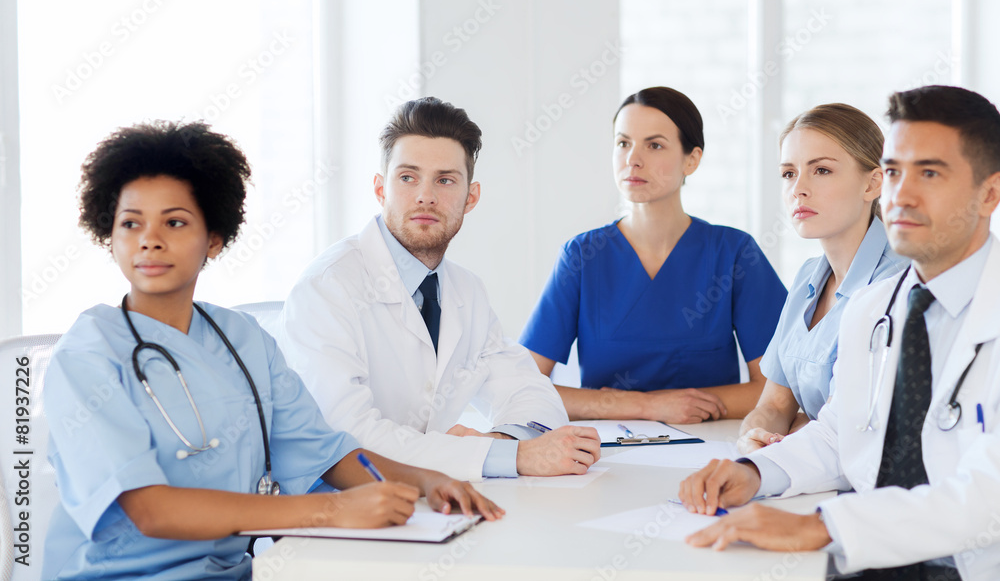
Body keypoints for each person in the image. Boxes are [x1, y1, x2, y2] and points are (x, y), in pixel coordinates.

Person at [43, 121, 501, 581]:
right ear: (109, 234)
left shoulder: (242, 338)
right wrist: (332, 511)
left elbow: (326, 453)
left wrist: (428, 480)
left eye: (175, 222)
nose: (150, 239)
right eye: (130, 223)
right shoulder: (89, 353)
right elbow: (150, 510)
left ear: (214, 239)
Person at [679, 85, 1000, 580]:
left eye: (930, 173)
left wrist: (821, 526)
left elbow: (987, 493)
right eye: (894, 171)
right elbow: (840, 433)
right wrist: (755, 472)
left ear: (990, 193)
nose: (901, 194)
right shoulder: (873, 308)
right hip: (867, 556)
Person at [279, 97, 600, 482]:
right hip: (339, 503)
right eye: (407, 177)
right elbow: (346, 437)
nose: (425, 196)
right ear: (380, 189)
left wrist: (501, 443)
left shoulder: (466, 291)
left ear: (471, 197)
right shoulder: (327, 287)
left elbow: (530, 393)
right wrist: (506, 457)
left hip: (434, 498)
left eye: (445, 180)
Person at [520, 86, 787, 423]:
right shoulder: (583, 257)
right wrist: (647, 406)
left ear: (692, 160)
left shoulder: (734, 254)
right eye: (623, 143)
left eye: (654, 145)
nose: (633, 159)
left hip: (713, 444)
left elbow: (777, 390)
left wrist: (684, 406)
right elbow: (524, 387)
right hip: (607, 447)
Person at [737, 104, 907, 453]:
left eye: (822, 170)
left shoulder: (898, 284)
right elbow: (774, 406)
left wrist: (791, 441)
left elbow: (854, 431)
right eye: (788, 173)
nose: (798, 188)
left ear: (873, 183)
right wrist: (755, 439)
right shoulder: (807, 279)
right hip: (802, 467)